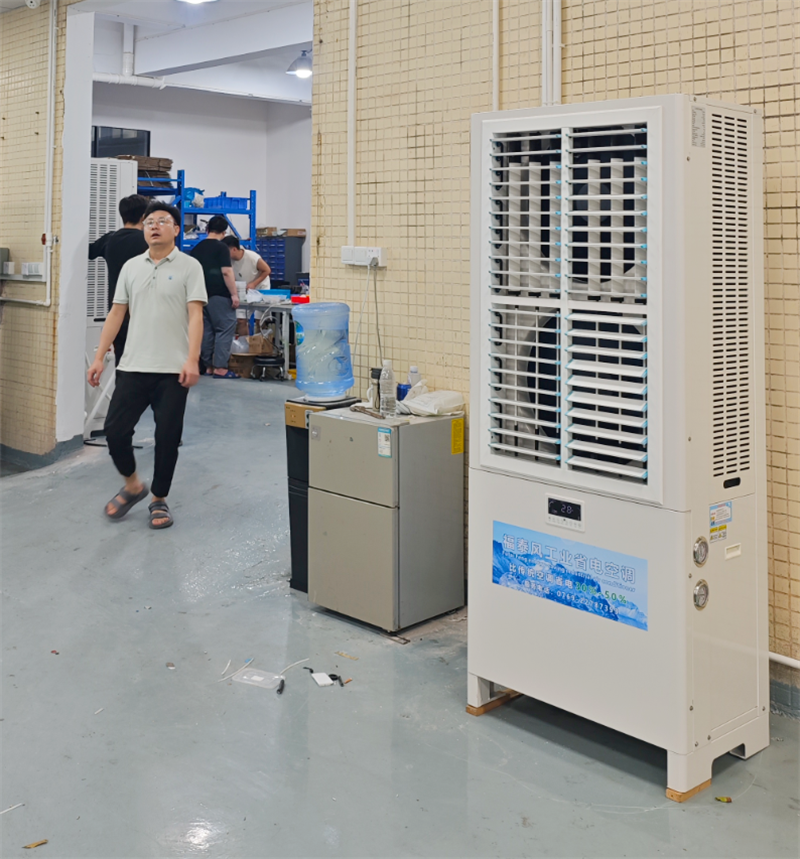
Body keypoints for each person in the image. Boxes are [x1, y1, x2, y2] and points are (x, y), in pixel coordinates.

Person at [87, 202, 207, 530]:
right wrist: (99, 356)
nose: (154, 226)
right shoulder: (131, 267)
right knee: (115, 432)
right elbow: (116, 313)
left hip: (173, 370)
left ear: (176, 229)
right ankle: (133, 485)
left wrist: (192, 359)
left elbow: (195, 315)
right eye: (149, 221)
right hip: (133, 365)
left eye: (162, 221)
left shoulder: (190, 266)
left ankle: (158, 498)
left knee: (168, 438)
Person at [88, 194, 149, 365]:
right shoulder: (148, 241)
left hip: (116, 312)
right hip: (143, 313)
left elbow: (89, 252)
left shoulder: (110, 239)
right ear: (144, 217)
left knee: (121, 363)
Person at [191, 215, 239, 378]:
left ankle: (208, 366)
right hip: (219, 294)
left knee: (206, 330)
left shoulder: (196, 249)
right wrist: (234, 294)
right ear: (224, 232)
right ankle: (220, 368)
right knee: (225, 328)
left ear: (207, 229)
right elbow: (226, 272)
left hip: (201, 294)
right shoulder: (221, 248)